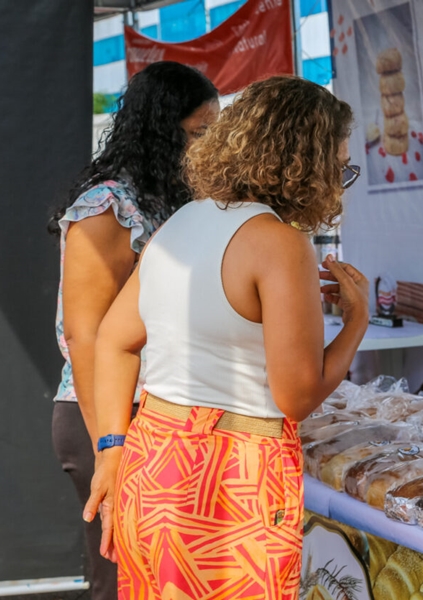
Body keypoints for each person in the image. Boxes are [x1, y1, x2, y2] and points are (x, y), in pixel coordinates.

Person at [83, 76, 368, 599]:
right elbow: (296, 396)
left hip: (151, 464)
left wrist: (111, 448)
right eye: (339, 166)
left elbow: (114, 341)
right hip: (229, 479)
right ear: (305, 162)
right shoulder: (280, 244)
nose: (339, 181)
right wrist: (356, 324)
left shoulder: (182, 222)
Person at [50, 61, 219, 600]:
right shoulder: (108, 207)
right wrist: (110, 447)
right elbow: (84, 336)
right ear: (161, 129)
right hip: (108, 417)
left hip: (161, 413)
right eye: (200, 133)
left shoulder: (173, 197)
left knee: (163, 574)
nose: (210, 145)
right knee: (122, 577)